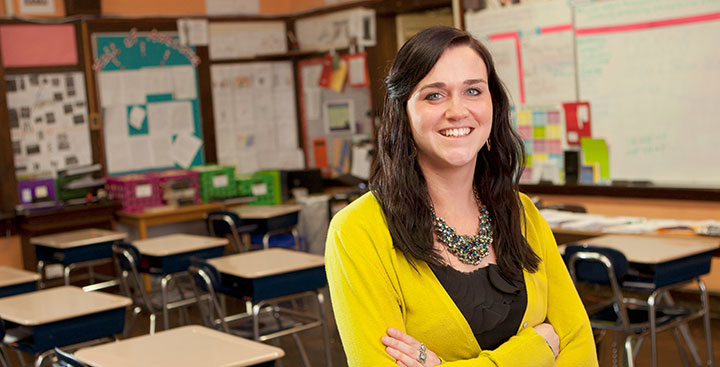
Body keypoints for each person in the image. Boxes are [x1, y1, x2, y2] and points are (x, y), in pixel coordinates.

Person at [324, 26, 597, 366]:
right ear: (403, 113)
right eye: (434, 95)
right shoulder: (357, 232)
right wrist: (534, 349)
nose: (457, 110)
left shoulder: (520, 212)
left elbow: (578, 343)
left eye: (472, 91)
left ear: (493, 104)